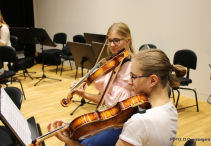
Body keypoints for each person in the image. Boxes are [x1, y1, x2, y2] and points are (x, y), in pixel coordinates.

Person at [46, 49, 186, 146]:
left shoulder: (141, 121)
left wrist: (70, 143)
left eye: (133, 77)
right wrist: (80, 126)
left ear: (153, 80)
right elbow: (115, 120)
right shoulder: (170, 108)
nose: (130, 82)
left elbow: (137, 126)